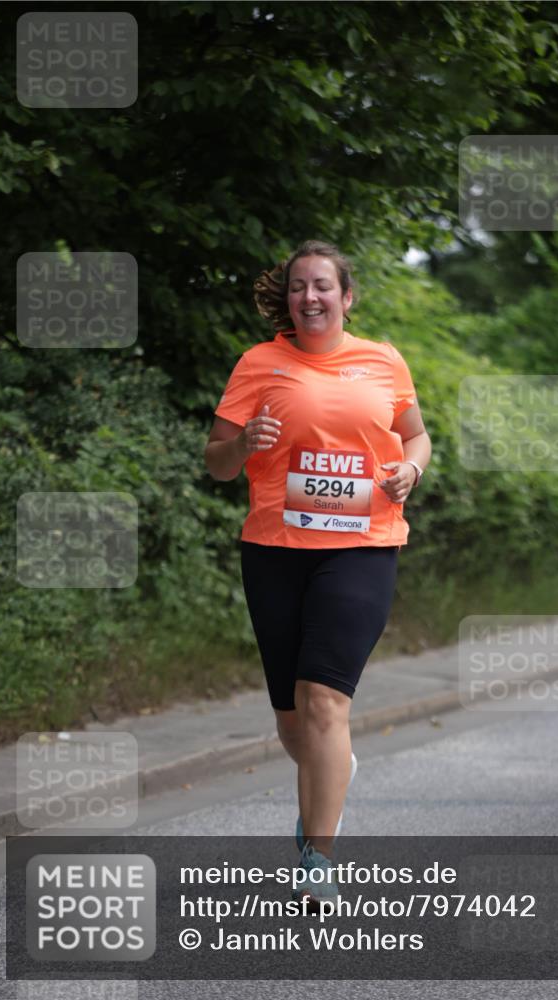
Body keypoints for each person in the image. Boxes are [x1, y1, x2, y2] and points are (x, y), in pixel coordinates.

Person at [204, 240, 431, 904]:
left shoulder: (382, 360)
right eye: (300, 286)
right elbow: (217, 461)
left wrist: (410, 468)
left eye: (323, 285)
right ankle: (333, 771)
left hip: (363, 543)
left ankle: (317, 859)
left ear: (346, 296)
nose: (311, 296)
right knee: (292, 720)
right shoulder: (259, 363)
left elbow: (415, 435)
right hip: (274, 550)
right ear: (289, 297)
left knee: (326, 700)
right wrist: (245, 443)